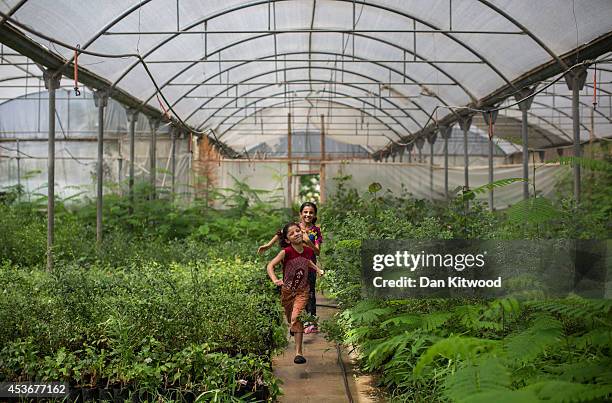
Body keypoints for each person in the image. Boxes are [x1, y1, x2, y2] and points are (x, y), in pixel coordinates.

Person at [258, 202, 323, 333]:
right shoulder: (295, 227)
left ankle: (311, 323)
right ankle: (296, 320)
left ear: (315, 215)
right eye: (305, 212)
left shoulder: (315, 231)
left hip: (309, 265)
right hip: (293, 265)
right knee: (293, 291)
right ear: (300, 214)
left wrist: (308, 241)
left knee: (309, 292)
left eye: (311, 212)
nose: (308, 214)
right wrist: (269, 245)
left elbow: (317, 252)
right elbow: (280, 233)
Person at [267, 222, 324, 364]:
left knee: (296, 317)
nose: (296, 234)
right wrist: (275, 279)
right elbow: (270, 265)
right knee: (290, 318)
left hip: (302, 291)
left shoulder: (307, 251)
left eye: (298, 231)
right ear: (287, 240)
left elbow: (308, 262)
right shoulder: (286, 252)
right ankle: (294, 326)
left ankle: (298, 352)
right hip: (287, 291)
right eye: (292, 233)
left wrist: (318, 270)